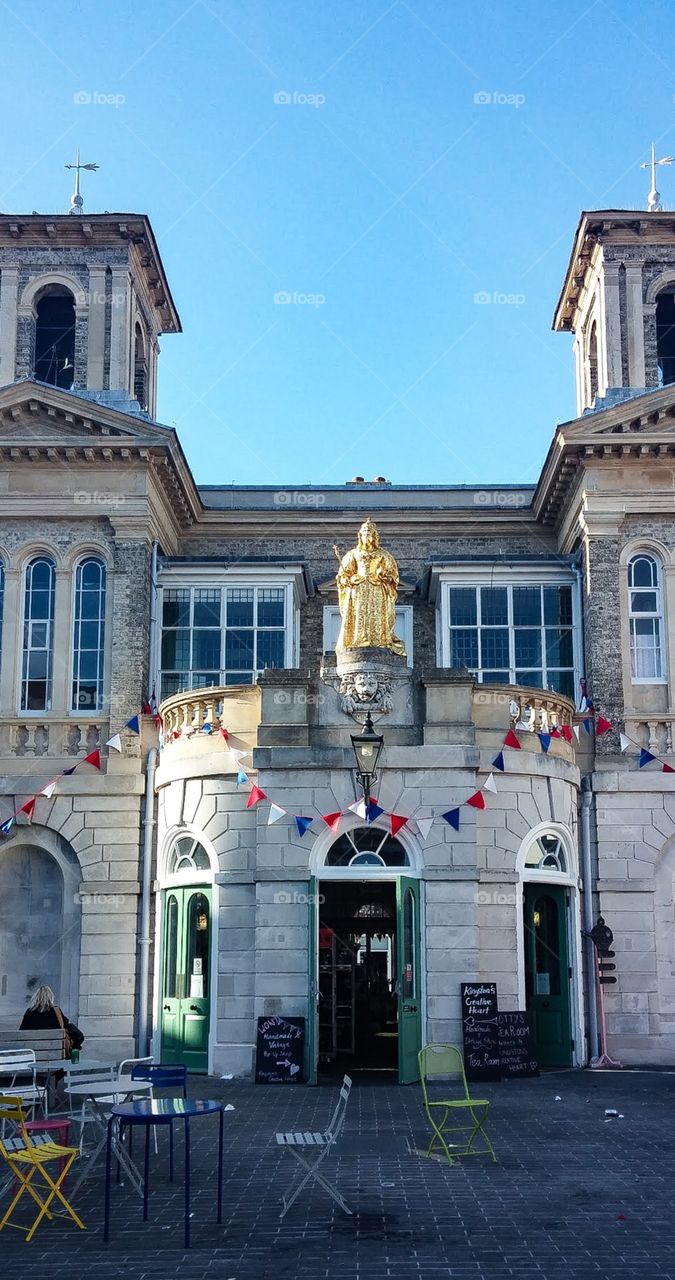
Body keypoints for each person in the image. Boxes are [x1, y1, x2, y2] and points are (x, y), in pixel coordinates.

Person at [20, 984, 84, 1057]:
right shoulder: (56, 1012)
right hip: (55, 1055)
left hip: (34, 1056)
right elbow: (74, 1032)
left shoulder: (29, 1012)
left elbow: (21, 1033)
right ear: (51, 997)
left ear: (35, 998)